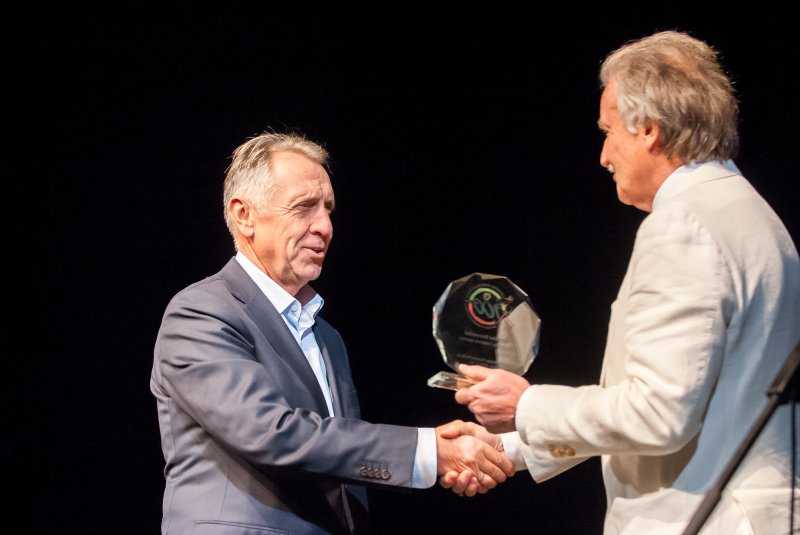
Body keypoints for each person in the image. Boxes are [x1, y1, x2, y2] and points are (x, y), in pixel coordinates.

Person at [443, 30, 800, 534]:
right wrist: (512, 447)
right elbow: (685, 402)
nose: (604, 156)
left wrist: (526, 405)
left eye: (608, 131)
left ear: (649, 129)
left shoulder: (684, 225)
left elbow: (659, 414)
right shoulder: (751, 213)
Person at [150, 131, 514, 535]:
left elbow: (336, 458)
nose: (324, 226)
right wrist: (430, 452)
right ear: (244, 215)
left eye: (327, 209)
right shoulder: (202, 312)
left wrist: (444, 452)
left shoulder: (328, 337)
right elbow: (272, 434)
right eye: (304, 207)